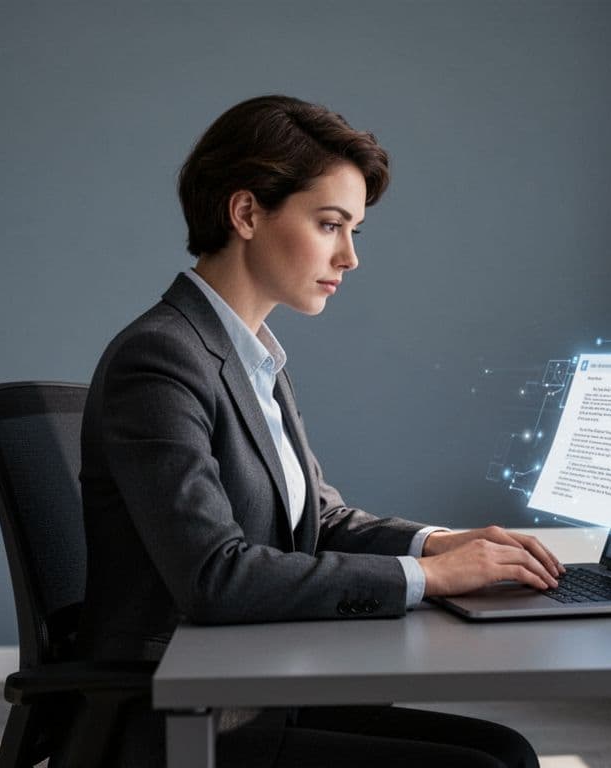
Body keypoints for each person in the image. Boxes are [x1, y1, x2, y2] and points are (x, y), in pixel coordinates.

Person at [77, 94, 563, 768]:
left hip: (262, 682)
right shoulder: (160, 358)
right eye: (330, 224)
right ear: (246, 213)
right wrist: (430, 576)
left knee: (508, 751)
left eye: (354, 230)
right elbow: (215, 577)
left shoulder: (254, 356)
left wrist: (444, 544)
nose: (350, 258)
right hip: (188, 718)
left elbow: (317, 520)